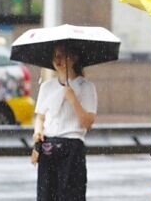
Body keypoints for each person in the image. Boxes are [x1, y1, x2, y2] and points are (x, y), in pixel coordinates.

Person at [31, 42, 97, 201]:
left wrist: (73, 99)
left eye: (62, 55)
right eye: (55, 56)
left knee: (70, 195)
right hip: (48, 146)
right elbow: (40, 116)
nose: (57, 60)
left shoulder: (85, 86)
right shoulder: (47, 86)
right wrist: (37, 132)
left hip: (72, 147)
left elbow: (87, 123)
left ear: (73, 58)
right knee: (46, 195)